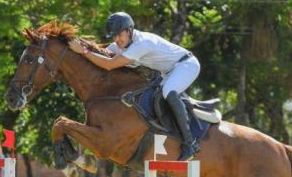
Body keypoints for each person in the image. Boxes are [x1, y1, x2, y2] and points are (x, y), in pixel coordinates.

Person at [68, 12, 201, 161]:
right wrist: (79, 45)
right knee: (156, 96)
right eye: (114, 36)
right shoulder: (123, 44)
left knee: (168, 91)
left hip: (186, 65)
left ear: (129, 30)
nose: (117, 40)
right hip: (168, 71)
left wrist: (83, 51)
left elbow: (109, 64)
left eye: (119, 35)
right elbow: (102, 53)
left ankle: (190, 143)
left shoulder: (141, 44)